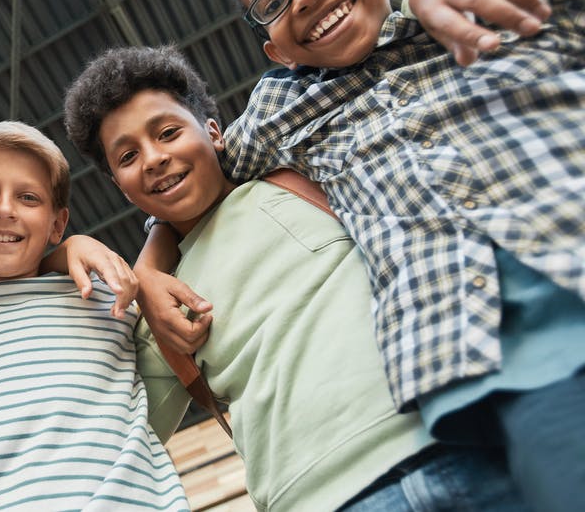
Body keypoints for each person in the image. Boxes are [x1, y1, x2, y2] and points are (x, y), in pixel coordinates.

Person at [218, 0, 585, 510]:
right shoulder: (281, 113)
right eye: (272, 3)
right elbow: (186, 175)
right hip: (517, 358)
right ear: (276, 53)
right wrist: (146, 261)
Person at [62, 46, 529, 511]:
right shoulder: (162, 302)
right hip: (315, 498)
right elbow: (121, 434)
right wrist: (61, 254)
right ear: (120, 188)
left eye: (167, 132)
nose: (154, 158)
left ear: (214, 132)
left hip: (457, 441)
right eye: (127, 157)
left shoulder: (311, 173)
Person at [0, 121, 188, 511]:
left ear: (57, 224)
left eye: (28, 198)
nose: (5, 210)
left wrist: (73, 251)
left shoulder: (105, 295)